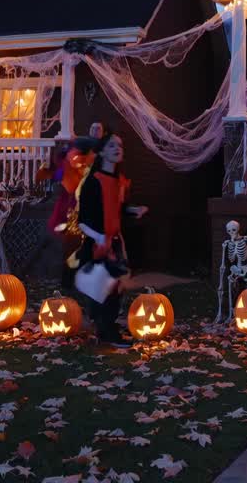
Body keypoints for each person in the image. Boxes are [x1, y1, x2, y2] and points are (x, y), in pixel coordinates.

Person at [73, 131, 148, 347]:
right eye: (112, 145)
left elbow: (116, 208)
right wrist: (100, 238)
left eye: (120, 146)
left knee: (116, 287)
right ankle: (108, 333)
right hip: (97, 244)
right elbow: (82, 220)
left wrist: (133, 209)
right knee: (106, 289)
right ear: (103, 151)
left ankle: (105, 329)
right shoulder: (93, 182)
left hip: (114, 243)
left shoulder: (117, 181)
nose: (118, 149)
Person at [50, 121, 104, 289]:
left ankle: (85, 280)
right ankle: (68, 282)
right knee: (72, 247)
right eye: (93, 128)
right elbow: (60, 173)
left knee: (87, 248)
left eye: (98, 129)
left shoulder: (99, 158)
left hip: (89, 214)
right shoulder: (76, 154)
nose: (95, 130)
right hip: (74, 214)